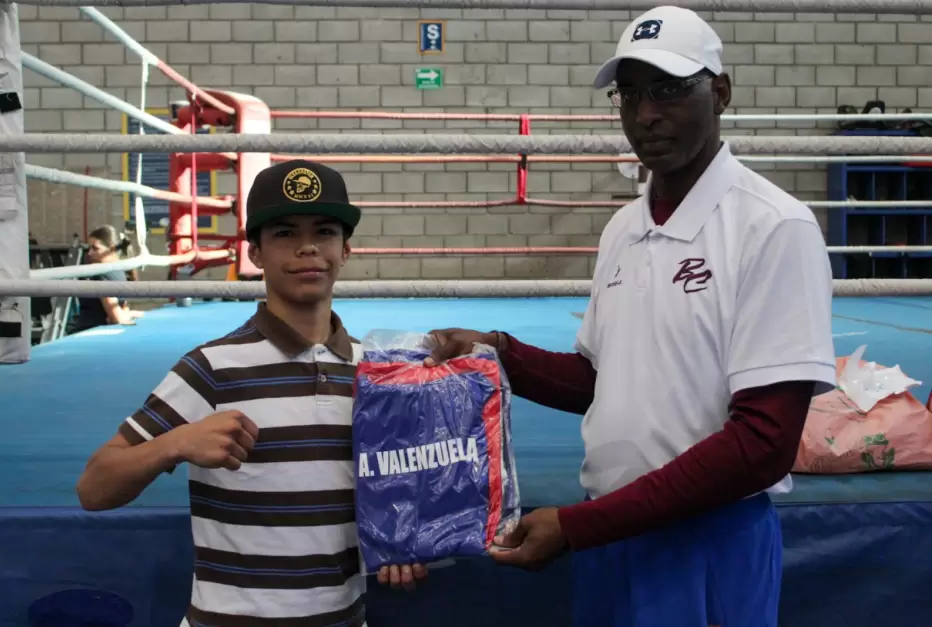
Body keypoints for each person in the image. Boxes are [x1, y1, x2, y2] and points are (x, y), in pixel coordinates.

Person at [425, 7, 835, 627]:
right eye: (631, 93)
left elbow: (763, 446)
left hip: (706, 540)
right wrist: (496, 352)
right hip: (611, 534)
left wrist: (578, 525)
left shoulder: (773, 227)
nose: (645, 114)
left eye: (670, 89)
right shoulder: (624, 227)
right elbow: (601, 379)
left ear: (720, 92)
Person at [76, 160, 427, 627]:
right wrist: (174, 444)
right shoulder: (211, 368)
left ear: (346, 250)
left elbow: (399, 494)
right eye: (284, 233)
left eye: (324, 231)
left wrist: (405, 539)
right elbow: (94, 489)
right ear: (255, 253)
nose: (307, 247)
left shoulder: (376, 374)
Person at [67, 224, 138, 334]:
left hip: (89, 335)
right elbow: (122, 308)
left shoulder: (103, 274)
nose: (90, 253)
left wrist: (122, 315)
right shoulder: (120, 272)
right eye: (89, 248)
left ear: (112, 248)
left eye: (95, 248)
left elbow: (117, 317)